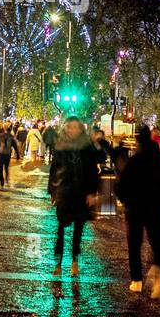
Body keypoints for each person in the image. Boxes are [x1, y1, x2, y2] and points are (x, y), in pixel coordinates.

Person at [115, 125, 160, 298]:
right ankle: (158, 272)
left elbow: (122, 185)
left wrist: (125, 200)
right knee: (157, 243)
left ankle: (137, 280)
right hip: (155, 207)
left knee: (134, 244)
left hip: (135, 208)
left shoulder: (134, 161)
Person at [47, 117, 101, 277]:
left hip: (81, 192)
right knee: (61, 228)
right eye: (70, 127)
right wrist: (52, 191)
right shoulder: (61, 146)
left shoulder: (87, 148)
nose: (73, 130)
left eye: (76, 127)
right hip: (64, 192)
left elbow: (93, 171)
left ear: (81, 129)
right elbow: (54, 170)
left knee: (78, 228)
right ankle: (58, 261)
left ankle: (74, 260)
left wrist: (92, 192)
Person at [0, 122, 15, 187]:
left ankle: (1, 183)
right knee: (6, 168)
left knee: (0, 169)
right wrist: (17, 154)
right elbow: (15, 146)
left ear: (4, 128)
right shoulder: (11, 136)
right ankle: (7, 180)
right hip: (7, 154)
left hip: (1, 154)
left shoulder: (0, 135)